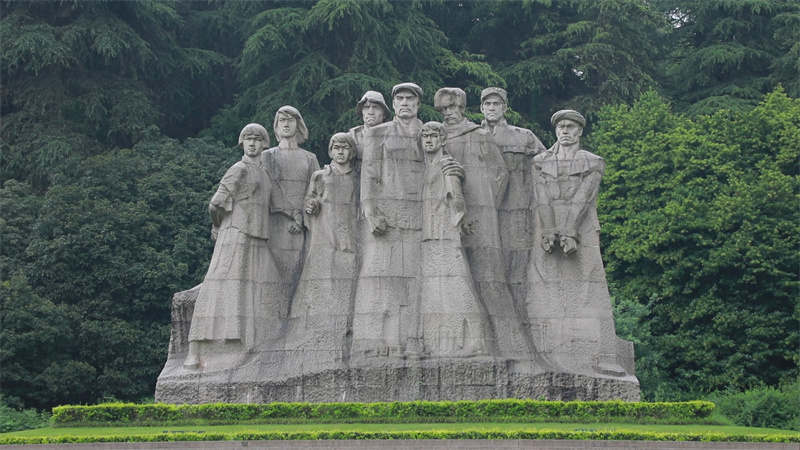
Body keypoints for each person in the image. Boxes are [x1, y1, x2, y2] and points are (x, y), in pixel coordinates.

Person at [526, 110, 633, 378]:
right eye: (561, 126)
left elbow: (585, 197)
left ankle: (606, 356)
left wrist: (570, 230)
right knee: (541, 288)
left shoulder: (593, 161)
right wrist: (549, 230)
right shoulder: (539, 162)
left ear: (580, 131)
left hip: (582, 229)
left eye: (571, 127)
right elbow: (540, 196)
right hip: (546, 231)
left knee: (594, 288)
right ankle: (545, 355)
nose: (565, 131)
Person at [183, 124, 284, 370]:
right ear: (242, 143)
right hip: (237, 233)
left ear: (264, 144)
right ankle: (200, 349)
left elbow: (276, 204)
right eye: (248, 139)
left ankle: (251, 343)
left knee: (262, 289)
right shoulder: (238, 169)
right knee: (223, 286)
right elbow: (216, 203)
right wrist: (220, 227)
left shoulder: (262, 172)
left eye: (257, 139)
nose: (252, 143)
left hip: (257, 236)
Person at [283, 132, 360, 370]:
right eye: (335, 147)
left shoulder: (358, 177)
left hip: (350, 237)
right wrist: (310, 206)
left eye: (344, 148)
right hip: (325, 236)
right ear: (330, 151)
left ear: (351, 151)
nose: (340, 152)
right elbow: (310, 202)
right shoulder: (321, 176)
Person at [418, 122, 490, 357]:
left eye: (433, 136)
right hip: (432, 234)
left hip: (445, 232)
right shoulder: (429, 166)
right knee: (441, 290)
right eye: (425, 136)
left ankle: (476, 342)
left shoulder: (447, 164)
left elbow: (455, 197)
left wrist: (459, 221)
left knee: (458, 285)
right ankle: (449, 343)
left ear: (442, 140)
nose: (428, 140)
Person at [479, 87, 546, 304]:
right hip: (482, 208)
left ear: (504, 107)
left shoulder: (523, 136)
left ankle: (522, 306)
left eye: (496, 104)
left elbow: (546, 166)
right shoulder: (471, 136)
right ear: (481, 108)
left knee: (518, 259)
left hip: (518, 207)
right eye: (487, 104)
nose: (491, 108)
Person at [261, 106, 321, 292]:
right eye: (282, 120)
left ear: (298, 124)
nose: (286, 124)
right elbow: (269, 189)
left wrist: (306, 212)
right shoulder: (267, 155)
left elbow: (317, 189)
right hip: (277, 222)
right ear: (276, 126)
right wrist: (293, 214)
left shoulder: (310, 158)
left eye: (290, 120)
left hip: (305, 225)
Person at [349, 90, 391, 161]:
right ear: (362, 112)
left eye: (376, 107)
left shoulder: (392, 136)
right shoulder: (351, 138)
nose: (370, 112)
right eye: (366, 107)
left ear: (384, 114)